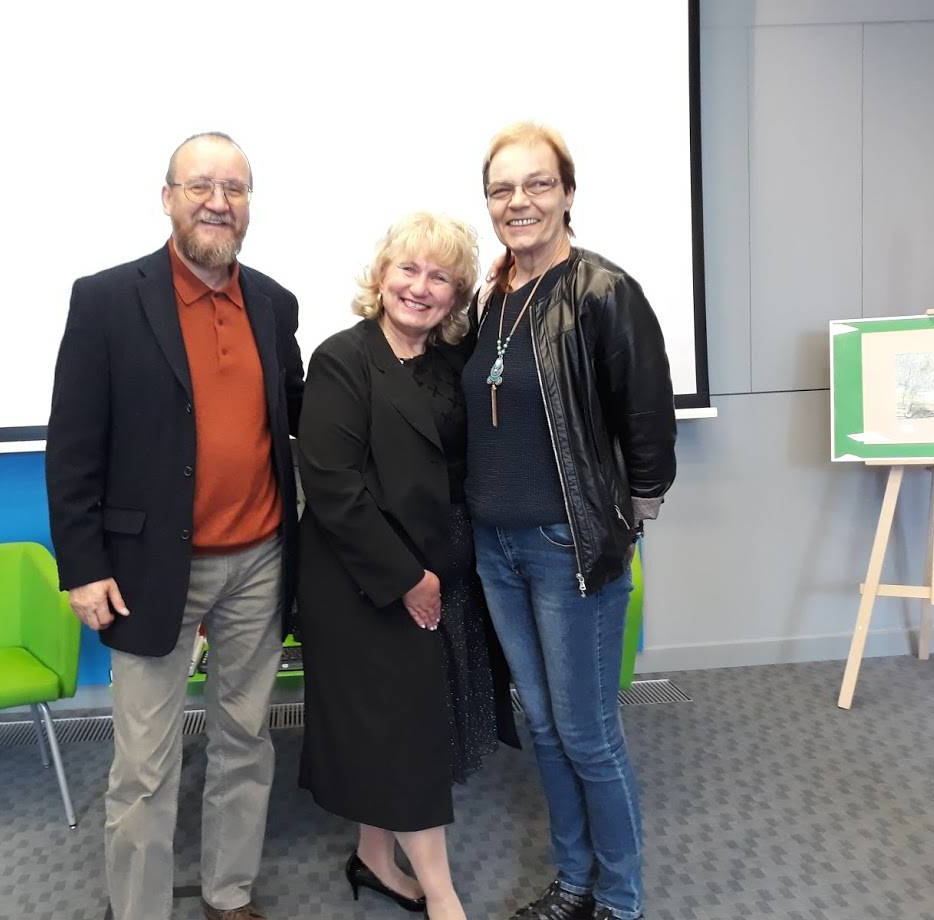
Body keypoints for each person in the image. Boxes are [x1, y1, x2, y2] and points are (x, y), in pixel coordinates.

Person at [45, 131, 304, 920]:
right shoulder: (105, 301)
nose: (218, 202)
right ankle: (139, 910)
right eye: (200, 186)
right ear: (167, 198)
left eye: (234, 189)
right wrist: (82, 566)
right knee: (144, 765)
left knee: (244, 742)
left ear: (249, 205)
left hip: (259, 560)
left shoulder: (273, 303)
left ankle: (229, 895)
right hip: (150, 567)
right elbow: (73, 446)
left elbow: (294, 421)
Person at [463, 122, 676, 920]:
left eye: (536, 184)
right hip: (495, 549)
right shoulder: (492, 295)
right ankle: (574, 885)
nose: (517, 202)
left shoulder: (602, 291)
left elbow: (645, 415)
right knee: (547, 731)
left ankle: (619, 902)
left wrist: (628, 517)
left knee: (587, 735)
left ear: (567, 193)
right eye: (501, 189)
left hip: (566, 550)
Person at [296, 212, 519, 920]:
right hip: (365, 579)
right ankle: (443, 895)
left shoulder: (453, 362)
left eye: (440, 277)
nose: (419, 288)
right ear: (380, 274)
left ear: (456, 295)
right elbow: (333, 488)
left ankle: (373, 857)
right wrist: (406, 580)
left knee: (394, 727)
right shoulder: (342, 358)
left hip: (444, 568)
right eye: (408, 269)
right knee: (409, 733)